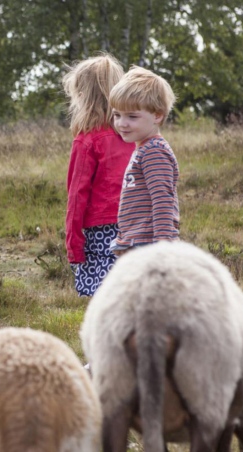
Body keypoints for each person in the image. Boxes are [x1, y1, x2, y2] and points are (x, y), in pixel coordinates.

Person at [62, 54, 135, 297]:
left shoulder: (87, 141)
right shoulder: (134, 136)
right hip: (138, 226)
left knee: (105, 304)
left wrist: (73, 244)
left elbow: (76, 197)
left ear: (83, 96)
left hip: (100, 234)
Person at [108, 66, 179, 255]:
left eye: (132, 116)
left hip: (148, 244)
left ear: (157, 115)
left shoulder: (154, 151)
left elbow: (162, 200)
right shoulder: (143, 149)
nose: (122, 123)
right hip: (135, 241)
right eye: (117, 115)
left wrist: (163, 247)